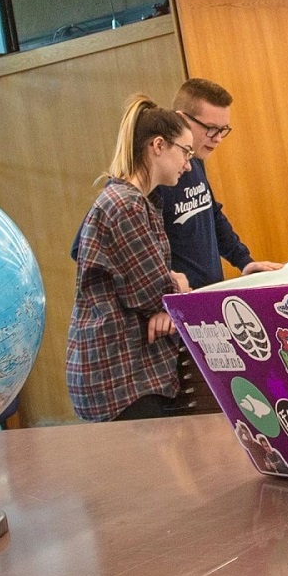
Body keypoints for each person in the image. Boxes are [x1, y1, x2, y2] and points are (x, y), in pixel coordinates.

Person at [67, 97, 198, 422]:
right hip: (120, 376)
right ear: (158, 145)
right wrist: (172, 289)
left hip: (123, 372)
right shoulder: (127, 204)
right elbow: (151, 290)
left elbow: (152, 292)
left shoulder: (135, 201)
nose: (189, 164)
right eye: (185, 151)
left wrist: (164, 302)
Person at [152, 77, 278, 286]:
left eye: (223, 130)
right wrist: (161, 288)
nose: (218, 138)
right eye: (211, 128)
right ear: (181, 119)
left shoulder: (196, 160)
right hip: (176, 302)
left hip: (208, 293)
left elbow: (212, 214)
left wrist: (243, 261)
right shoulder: (155, 176)